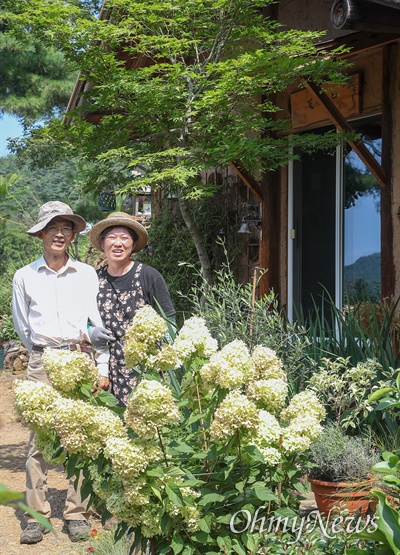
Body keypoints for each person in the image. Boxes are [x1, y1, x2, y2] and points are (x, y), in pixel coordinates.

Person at [12, 201, 110, 545]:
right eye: (52, 227)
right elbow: (23, 325)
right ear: (40, 233)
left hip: (79, 359)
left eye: (66, 227)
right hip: (42, 362)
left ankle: (76, 514)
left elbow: (96, 323)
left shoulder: (86, 274)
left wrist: (101, 364)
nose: (59, 233)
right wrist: (41, 352)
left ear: (73, 234)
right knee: (38, 443)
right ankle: (36, 516)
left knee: (79, 439)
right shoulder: (24, 276)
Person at [88, 211, 176, 407]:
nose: (117, 243)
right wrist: (89, 331)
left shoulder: (149, 276)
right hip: (108, 371)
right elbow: (83, 318)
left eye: (124, 238)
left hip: (146, 370)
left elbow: (170, 322)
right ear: (102, 244)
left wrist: (165, 357)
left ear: (134, 245)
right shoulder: (94, 279)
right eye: (111, 237)